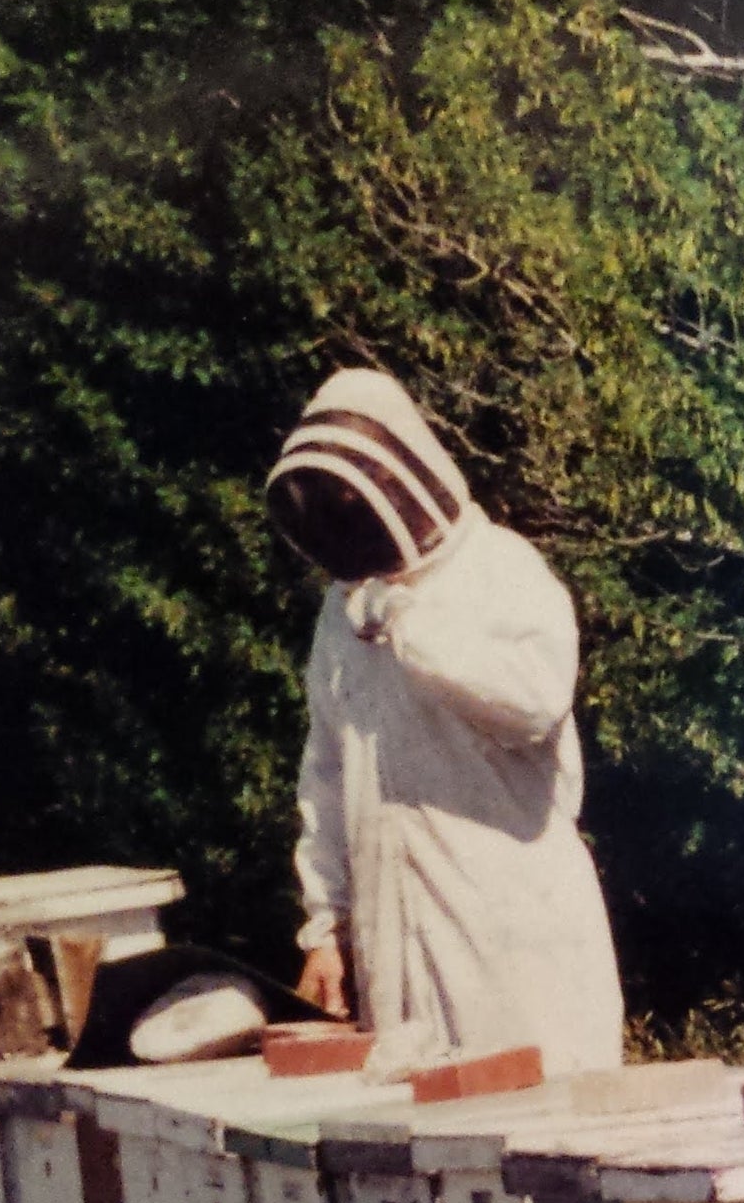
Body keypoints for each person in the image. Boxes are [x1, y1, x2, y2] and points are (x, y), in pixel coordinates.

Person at [268, 367, 626, 1077]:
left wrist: (415, 630)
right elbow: (328, 772)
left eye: (353, 497)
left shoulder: (500, 569)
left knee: (539, 1139)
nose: (348, 517)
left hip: (513, 931)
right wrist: (326, 926)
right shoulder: (343, 614)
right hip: (391, 937)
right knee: (422, 1161)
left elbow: (532, 700)